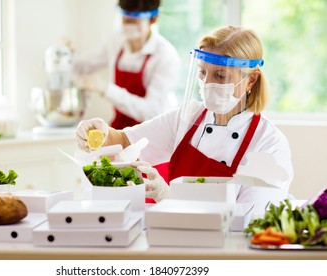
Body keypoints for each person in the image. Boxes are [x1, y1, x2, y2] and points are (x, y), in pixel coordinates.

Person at [75, 25, 294, 208]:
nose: (207, 83)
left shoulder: (269, 144)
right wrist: (99, 132)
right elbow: (124, 142)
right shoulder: (189, 116)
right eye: (202, 72)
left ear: (251, 80)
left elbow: (249, 224)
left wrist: (169, 199)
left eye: (220, 75)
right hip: (174, 237)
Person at [72, 0, 181, 129]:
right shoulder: (115, 41)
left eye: (134, 20)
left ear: (153, 18)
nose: (128, 26)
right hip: (119, 129)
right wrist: (66, 55)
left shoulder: (165, 56)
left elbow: (151, 112)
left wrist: (106, 89)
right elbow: (83, 66)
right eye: (125, 19)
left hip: (151, 133)